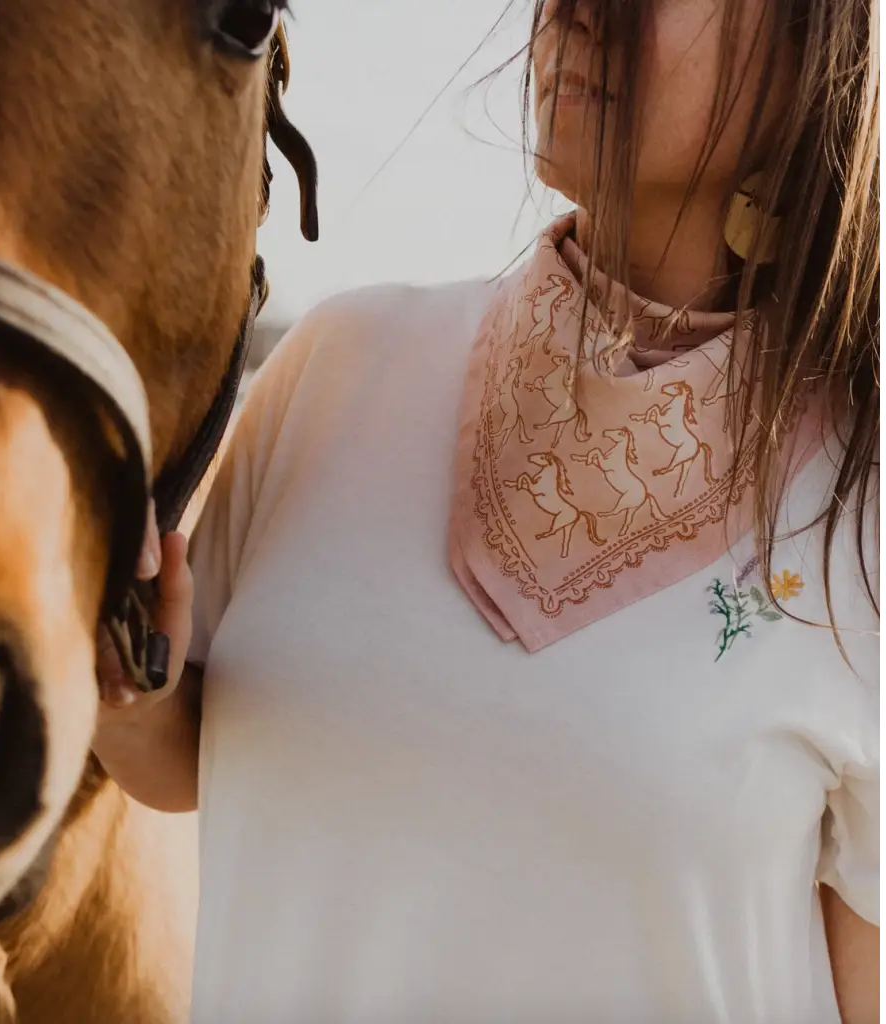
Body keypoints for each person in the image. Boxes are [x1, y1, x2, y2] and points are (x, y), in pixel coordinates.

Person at [95, 0, 882, 1020]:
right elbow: (187, 756)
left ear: (809, 46)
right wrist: (128, 688)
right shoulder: (337, 370)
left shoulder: (858, 524)